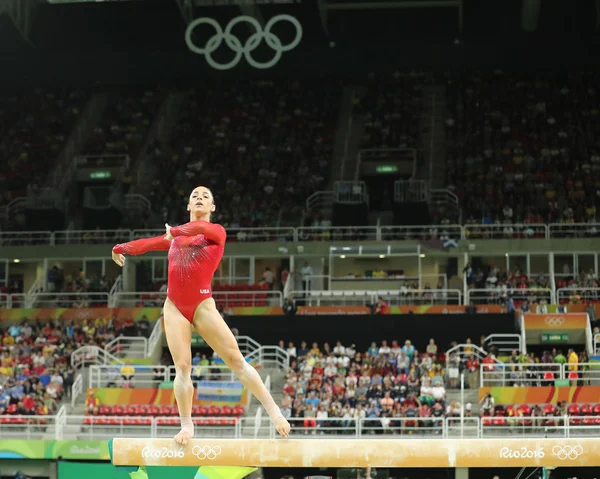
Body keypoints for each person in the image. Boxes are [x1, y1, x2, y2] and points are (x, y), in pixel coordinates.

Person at [111, 186, 290, 444]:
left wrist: (174, 231)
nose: (199, 198)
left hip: (203, 305)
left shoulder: (216, 232)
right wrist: (119, 248)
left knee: (237, 361)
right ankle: (186, 425)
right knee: (182, 368)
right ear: (188, 205)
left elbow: (200, 230)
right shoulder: (174, 237)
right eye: (194, 195)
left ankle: (275, 414)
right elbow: (146, 244)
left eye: (206, 196)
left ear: (212, 207)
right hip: (174, 306)